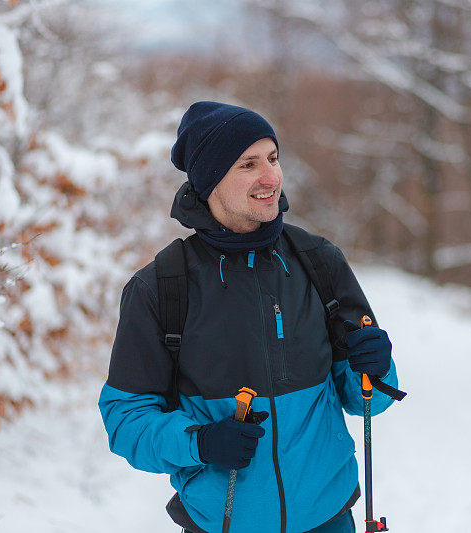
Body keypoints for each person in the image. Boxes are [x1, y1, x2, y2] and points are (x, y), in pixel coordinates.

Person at [98, 101, 399, 533]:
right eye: (248, 164)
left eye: (273, 158)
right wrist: (198, 442)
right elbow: (126, 420)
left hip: (330, 519)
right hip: (221, 524)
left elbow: (367, 397)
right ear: (211, 180)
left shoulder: (318, 262)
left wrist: (375, 366)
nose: (271, 177)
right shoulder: (162, 287)